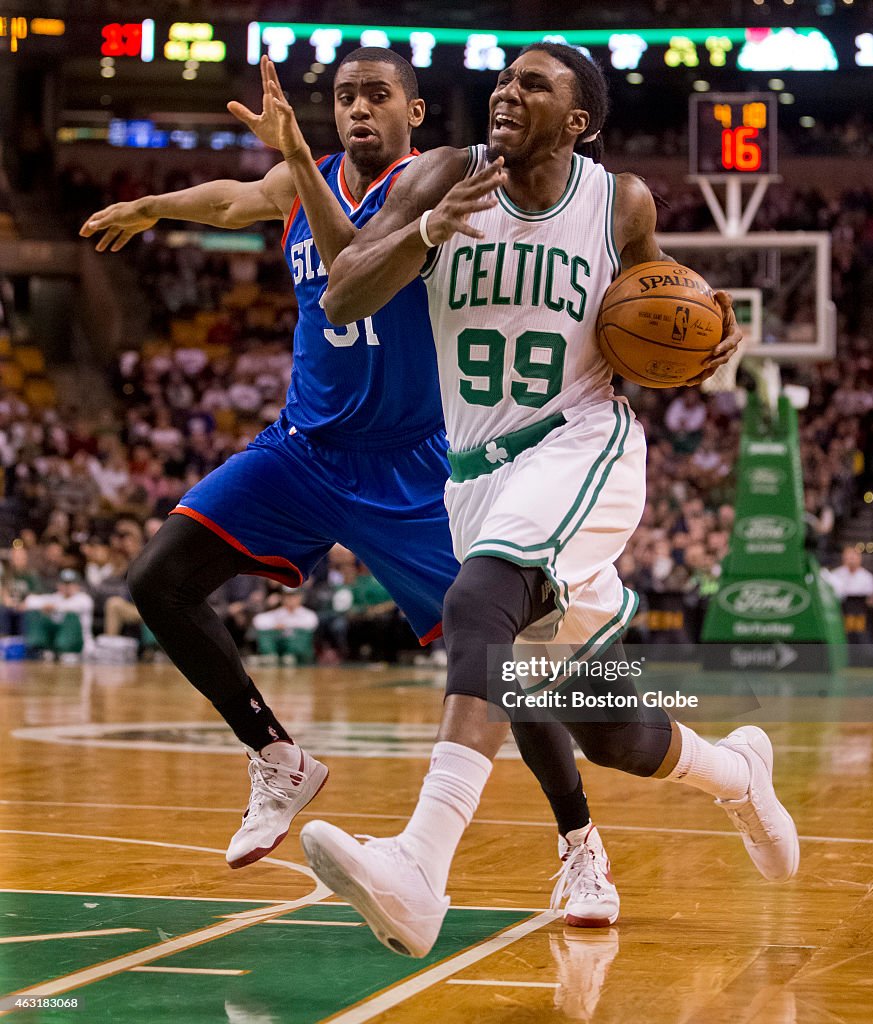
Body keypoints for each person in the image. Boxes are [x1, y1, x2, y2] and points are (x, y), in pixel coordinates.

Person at [79, 49, 616, 925]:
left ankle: (580, 843)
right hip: (302, 448)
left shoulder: (443, 191)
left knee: (504, 666)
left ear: (412, 112)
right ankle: (277, 757)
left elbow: (348, 282)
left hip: (411, 464)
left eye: (377, 96)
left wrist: (292, 160)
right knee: (156, 581)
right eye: (343, 97)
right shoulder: (302, 176)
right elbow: (228, 200)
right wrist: (152, 206)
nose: (357, 110)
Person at [301, 42, 799, 959]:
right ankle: (738, 772)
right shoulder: (445, 177)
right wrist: (420, 233)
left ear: (578, 121)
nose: (506, 90)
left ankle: (420, 867)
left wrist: (699, 349)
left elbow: (657, 322)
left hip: (581, 444)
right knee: (602, 727)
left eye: (534, 83)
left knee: (474, 603)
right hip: (474, 474)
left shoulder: (619, 202)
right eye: (504, 78)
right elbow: (340, 295)